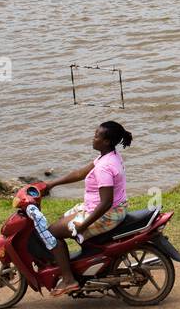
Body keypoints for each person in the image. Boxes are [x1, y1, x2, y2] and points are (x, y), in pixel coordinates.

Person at [40, 121, 132, 296]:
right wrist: (52, 184)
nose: (93, 137)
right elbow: (80, 174)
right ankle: (81, 265)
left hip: (105, 213)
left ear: (106, 141)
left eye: (97, 135)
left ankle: (69, 280)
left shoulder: (105, 167)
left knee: (51, 233)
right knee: (60, 223)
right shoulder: (108, 156)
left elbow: (105, 202)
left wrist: (83, 225)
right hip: (105, 208)